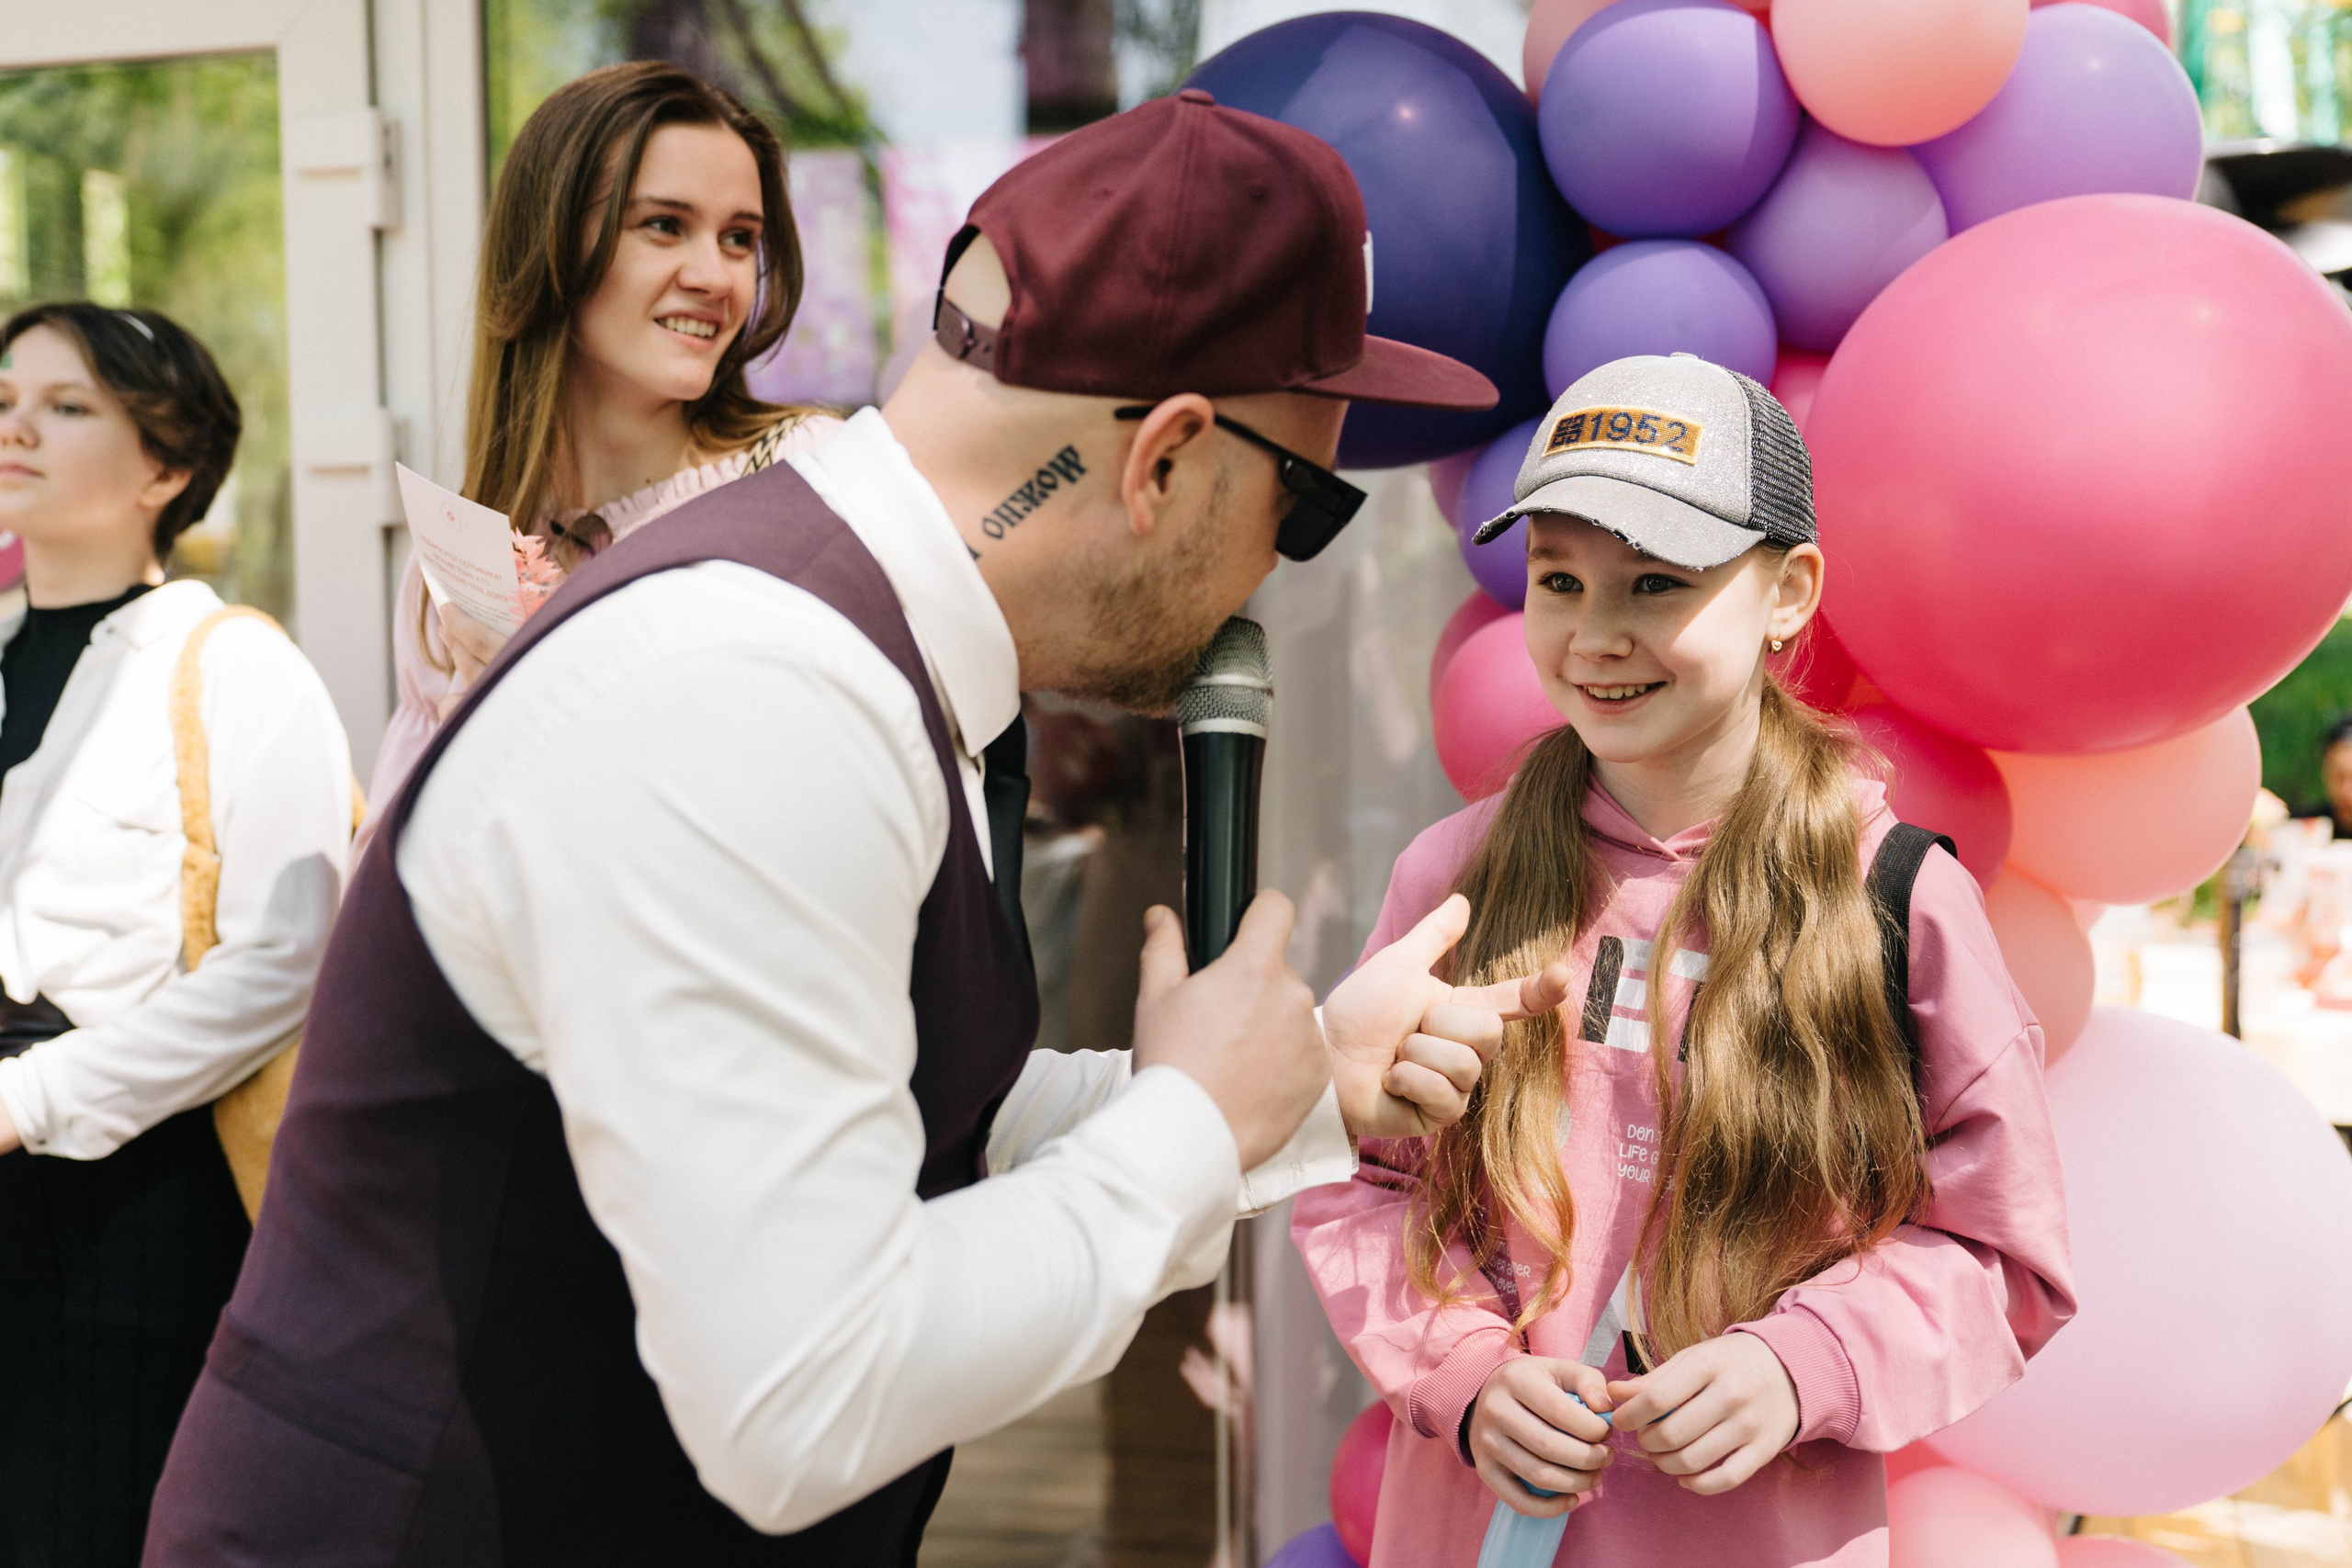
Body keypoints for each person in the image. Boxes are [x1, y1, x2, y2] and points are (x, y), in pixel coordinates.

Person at [146, 89, 1572, 1565]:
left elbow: (879, 1107)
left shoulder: (843, 644)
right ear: (1164, 456)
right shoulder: (755, 686)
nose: (1277, 567)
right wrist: (1192, 1124)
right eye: (1305, 504)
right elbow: (801, 1394)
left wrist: (1301, 1077)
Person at [1295, 355, 2076, 1567]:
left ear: (1788, 592)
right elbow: (1358, 1181)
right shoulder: (1453, 881)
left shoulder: (1896, 899)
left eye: (1657, 581)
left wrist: (1804, 1361)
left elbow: (1999, 1251)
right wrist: (1466, 1372)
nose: (1597, 635)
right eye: (1558, 579)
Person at [0, 303, 353, 1566]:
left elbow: (286, 960)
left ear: (168, 463)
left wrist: (29, 1096)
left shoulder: (235, 666)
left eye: (67, 406)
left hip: (126, 1204)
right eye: (5, 399)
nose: (17, 428)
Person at [368, 60, 841, 809]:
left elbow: (837, 783)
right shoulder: (464, 558)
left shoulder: (805, 478)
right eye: (665, 225)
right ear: (550, 244)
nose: (715, 276)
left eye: (739, 238)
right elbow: (397, 862)